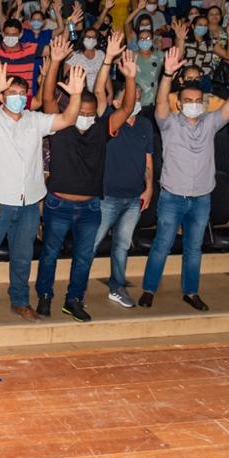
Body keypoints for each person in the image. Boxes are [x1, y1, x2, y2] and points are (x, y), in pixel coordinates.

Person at [0, 60, 84, 327]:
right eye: (11, 94)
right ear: (2, 97)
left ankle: (19, 301)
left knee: (22, 257)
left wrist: (75, 95)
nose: (17, 99)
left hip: (28, 204)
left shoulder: (35, 120)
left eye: (21, 94)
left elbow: (68, 119)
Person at [139, 47, 229, 311]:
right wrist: (167, 74)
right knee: (162, 245)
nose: (193, 104)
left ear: (203, 103)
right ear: (179, 103)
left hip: (202, 198)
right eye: (188, 100)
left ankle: (191, 292)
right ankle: (148, 290)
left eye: (198, 101)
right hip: (172, 197)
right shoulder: (168, 123)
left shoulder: (211, 123)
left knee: (194, 248)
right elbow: (159, 104)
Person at [34, 35, 138, 322]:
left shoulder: (100, 130)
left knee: (83, 259)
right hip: (58, 204)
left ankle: (74, 301)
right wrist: (55, 62)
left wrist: (129, 78)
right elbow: (46, 99)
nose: (85, 117)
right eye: (81, 112)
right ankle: (44, 297)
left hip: (91, 208)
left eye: (90, 114)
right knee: (50, 255)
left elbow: (126, 109)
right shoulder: (61, 125)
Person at [91, 53, 154, 310]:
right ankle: (76, 287)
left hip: (133, 198)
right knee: (91, 244)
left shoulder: (146, 125)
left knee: (122, 246)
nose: (135, 101)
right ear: (117, 101)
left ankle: (117, 287)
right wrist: (107, 64)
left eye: (139, 98)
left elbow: (149, 161)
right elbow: (97, 91)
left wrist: (149, 188)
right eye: (131, 97)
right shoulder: (107, 120)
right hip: (107, 196)